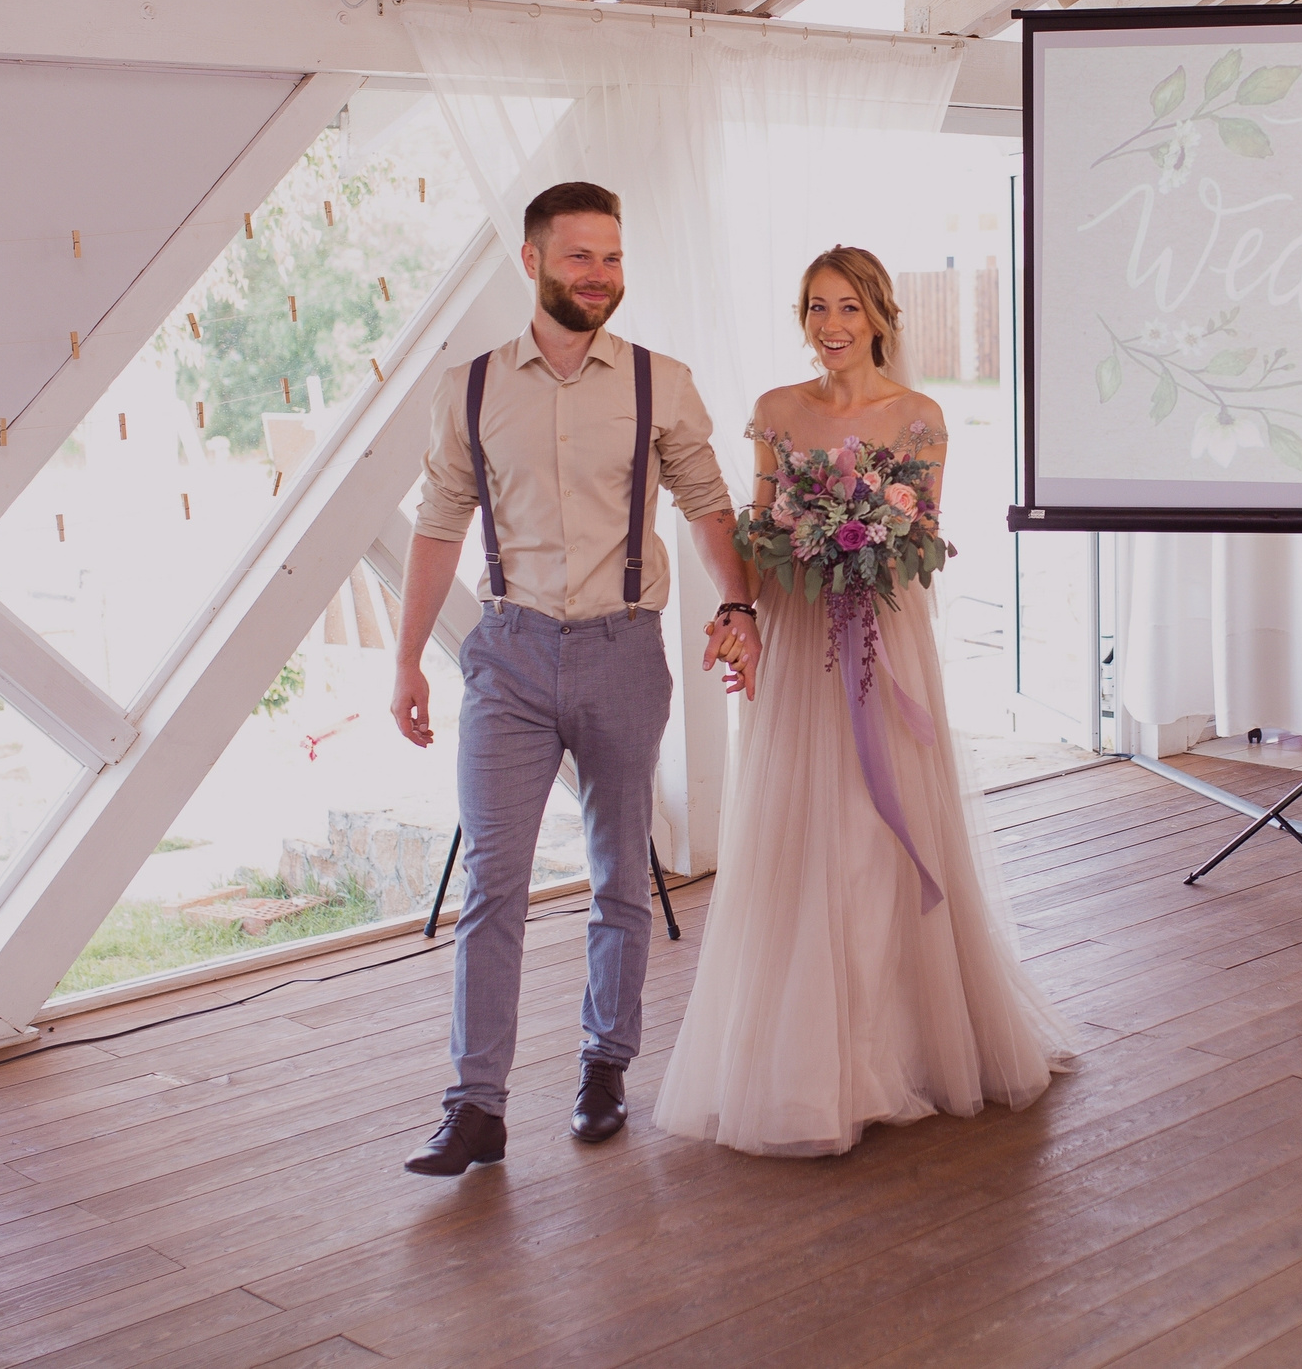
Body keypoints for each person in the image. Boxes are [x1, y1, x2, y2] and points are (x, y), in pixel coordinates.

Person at [654, 246, 1073, 1158]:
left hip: (886, 636)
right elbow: (759, 536)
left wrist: (869, 549)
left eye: (847, 307)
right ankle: (810, 1060)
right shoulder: (773, 412)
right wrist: (745, 613)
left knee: (880, 830)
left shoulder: (920, 417)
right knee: (807, 832)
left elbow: (921, 541)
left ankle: (898, 1046)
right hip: (803, 638)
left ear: (879, 316)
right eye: (815, 307)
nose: (830, 326)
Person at [390, 181, 762, 1175]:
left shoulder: (662, 382)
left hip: (621, 651)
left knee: (617, 875)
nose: (600, 276)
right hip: (507, 656)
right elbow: (437, 524)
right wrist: (405, 664)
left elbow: (707, 503)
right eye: (579, 258)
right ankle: (475, 1105)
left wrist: (741, 606)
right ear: (532, 262)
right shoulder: (466, 388)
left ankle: (605, 1064)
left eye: (612, 258)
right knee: (491, 884)